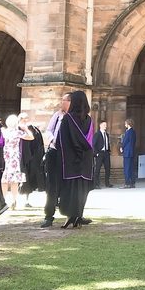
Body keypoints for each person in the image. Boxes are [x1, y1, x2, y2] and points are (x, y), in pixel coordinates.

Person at [56, 89, 94, 228]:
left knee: (70, 189)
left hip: (71, 160)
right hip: (85, 160)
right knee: (81, 189)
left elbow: (62, 140)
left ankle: (71, 217)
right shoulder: (89, 120)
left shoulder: (68, 119)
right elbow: (89, 141)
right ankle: (78, 215)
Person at [40, 93, 70, 228]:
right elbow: (49, 130)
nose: (61, 103)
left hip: (68, 155)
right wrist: (52, 140)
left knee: (69, 185)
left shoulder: (74, 117)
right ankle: (48, 216)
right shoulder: (57, 115)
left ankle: (72, 214)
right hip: (54, 152)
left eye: (64, 100)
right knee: (52, 186)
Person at [1, 114, 34, 210]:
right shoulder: (17, 132)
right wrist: (26, 129)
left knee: (5, 180)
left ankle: (5, 199)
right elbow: (31, 137)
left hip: (6, 156)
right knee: (14, 180)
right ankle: (14, 200)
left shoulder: (4, 132)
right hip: (14, 156)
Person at [19, 113, 46, 203]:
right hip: (18, 157)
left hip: (30, 158)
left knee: (28, 178)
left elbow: (38, 144)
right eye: (23, 118)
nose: (25, 120)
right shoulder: (16, 130)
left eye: (27, 118)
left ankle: (26, 199)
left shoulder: (33, 129)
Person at [93, 121, 112, 188]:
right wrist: (96, 153)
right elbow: (93, 145)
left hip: (106, 153)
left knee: (108, 169)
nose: (105, 126)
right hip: (100, 153)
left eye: (106, 125)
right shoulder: (97, 134)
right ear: (100, 125)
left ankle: (107, 183)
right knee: (97, 169)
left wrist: (109, 151)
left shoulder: (107, 134)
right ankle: (96, 184)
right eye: (104, 125)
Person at [120, 118, 136, 188]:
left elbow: (125, 141)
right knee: (131, 168)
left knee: (126, 168)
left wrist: (121, 147)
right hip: (131, 152)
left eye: (125, 123)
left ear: (128, 124)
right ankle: (132, 183)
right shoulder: (133, 131)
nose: (125, 124)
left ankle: (127, 183)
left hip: (127, 152)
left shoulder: (128, 132)